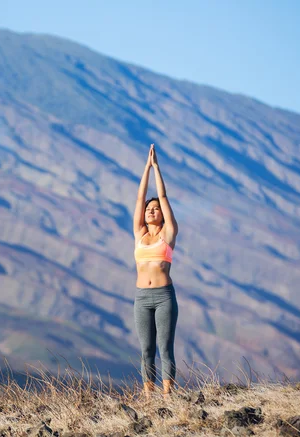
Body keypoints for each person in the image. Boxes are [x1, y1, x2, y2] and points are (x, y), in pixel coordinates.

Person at [133, 143, 179, 399]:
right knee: (146, 349)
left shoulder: (168, 234)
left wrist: (157, 168)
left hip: (163, 296)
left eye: (156, 209)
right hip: (141, 297)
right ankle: (149, 396)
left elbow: (162, 197)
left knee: (165, 348)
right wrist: (145, 169)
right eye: (149, 210)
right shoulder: (139, 234)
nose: (151, 210)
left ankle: (168, 395)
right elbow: (141, 199)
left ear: (163, 216)